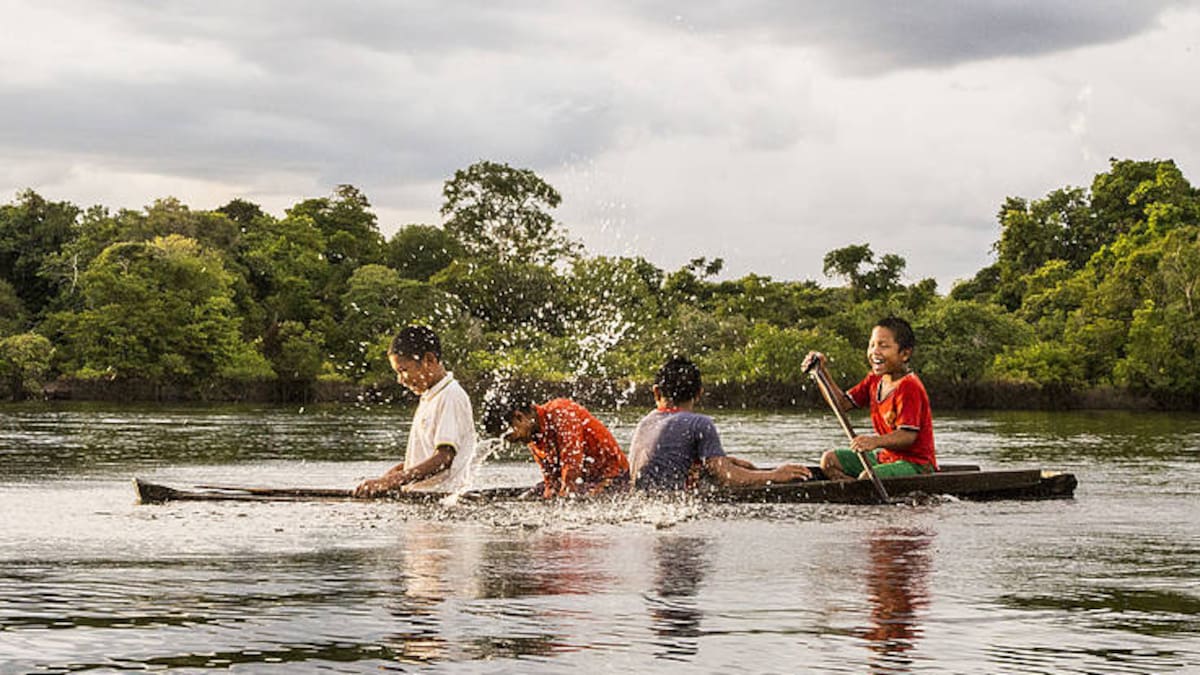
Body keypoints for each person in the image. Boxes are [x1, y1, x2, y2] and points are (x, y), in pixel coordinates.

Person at [629, 356, 812, 491]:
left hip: (640, 502)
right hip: (670, 506)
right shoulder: (699, 423)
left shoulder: (645, 422)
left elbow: (665, 463)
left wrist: (724, 462)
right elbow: (728, 478)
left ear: (656, 392)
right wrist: (775, 475)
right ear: (699, 393)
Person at [802, 316, 937, 481]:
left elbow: (907, 436)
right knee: (829, 461)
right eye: (872, 345)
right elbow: (841, 404)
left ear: (905, 354)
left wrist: (874, 441)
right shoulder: (874, 379)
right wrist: (821, 372)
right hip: (884, 457)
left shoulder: (909, 386)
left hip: (915, 464)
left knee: (868, 478)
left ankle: (860, 492)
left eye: (883, 346)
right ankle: (852, 496)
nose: (875, 351)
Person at [354, 326, 476, 497]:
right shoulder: (430, 397)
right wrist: (391, 475)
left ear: (429, 360)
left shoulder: (451, 395)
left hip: (442, 500)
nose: (400, 380)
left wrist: (392, 481)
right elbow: (423, 457)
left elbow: (444, 458)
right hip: (423, 498)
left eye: (403, 370)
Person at [483, 390, 630, 498]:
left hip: (612, 479)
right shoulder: (533, 434)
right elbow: (551, 481)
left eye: (509, 435)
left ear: (519, 417)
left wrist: (559, 498)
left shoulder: (560, 413)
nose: (510, 441)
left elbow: (571, 470)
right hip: (584, 481)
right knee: (525, 496)